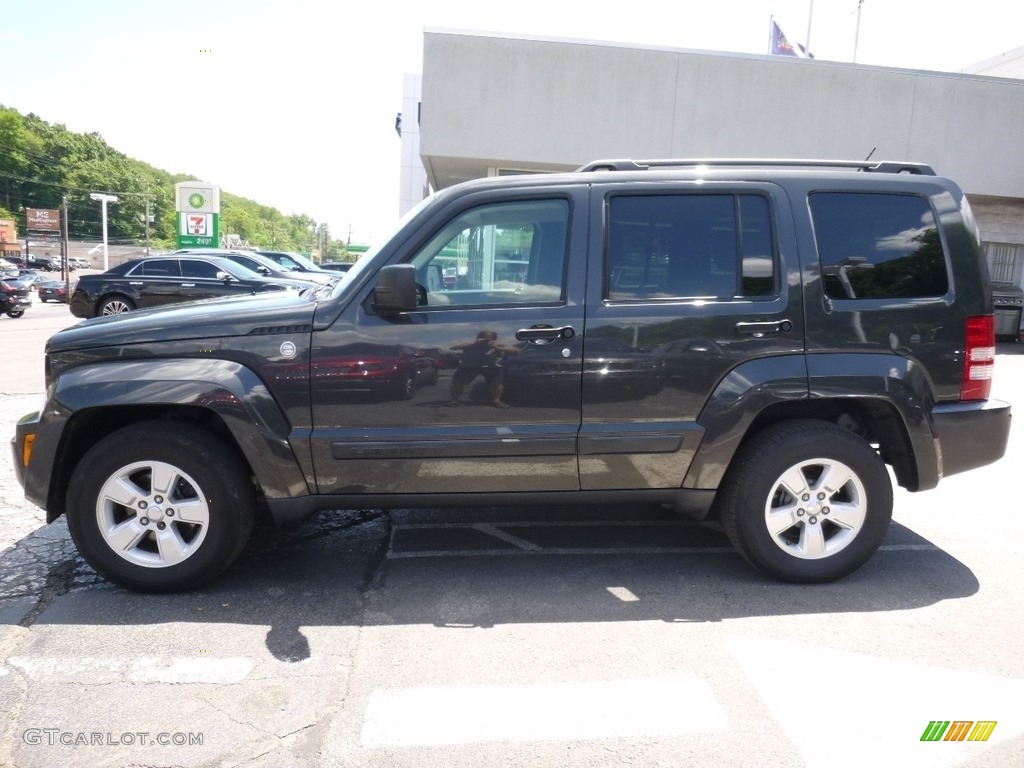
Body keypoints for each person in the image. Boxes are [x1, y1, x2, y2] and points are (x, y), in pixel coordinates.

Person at [448, 330, 518, 408]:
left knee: (497, 382)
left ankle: (497, 401)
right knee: (457, 382)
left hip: (490, 366)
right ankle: (454, 400)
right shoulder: (470, 344)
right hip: (469, 366)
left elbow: (516, 350)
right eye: (483, 337)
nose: (485, 340)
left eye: (489, 338)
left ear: (494, 339)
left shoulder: (498, 345)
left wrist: (498, 348)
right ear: (478, 338)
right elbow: (453, 348)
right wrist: (474, 343)